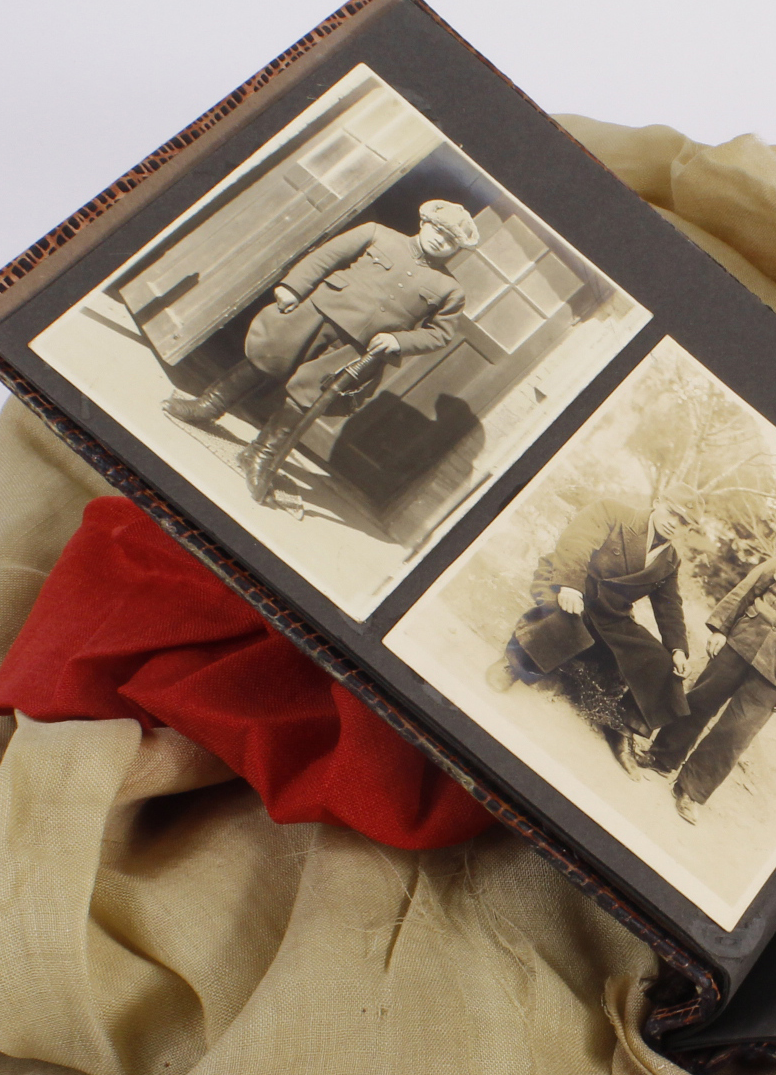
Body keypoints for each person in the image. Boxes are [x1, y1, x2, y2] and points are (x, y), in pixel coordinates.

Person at [162, 201, 481, 498]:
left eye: (450, 241)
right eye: (438, 230)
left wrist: (400, 341)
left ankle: (259, 454)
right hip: (315, 313)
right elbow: (325, 257)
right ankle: (208, 406)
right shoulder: (377, 233)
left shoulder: (450, 290)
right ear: (423, 222)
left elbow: (439, 334)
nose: (441, 240)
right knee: (265, 357)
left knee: (308, 396)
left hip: (357, 348)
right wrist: (292, 287)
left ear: (456, 249)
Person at [644, 542, 776, 823]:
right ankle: (662, 758)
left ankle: (690, 790)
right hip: (737, 647)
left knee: (734, 735)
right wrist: (720, 629)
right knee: (697, 702)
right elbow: (744, 592)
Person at [489, 499, 695, 774]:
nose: (674, 522)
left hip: (610, 612)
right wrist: (570, 586)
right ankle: (516, 664)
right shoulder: (615, 511)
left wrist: (678, 649)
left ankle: (621, 726)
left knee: (661, 662)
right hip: (569, 582)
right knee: (565, 618)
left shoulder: (670, 559)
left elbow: (669, 605)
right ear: (658, 502)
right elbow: (576, 543)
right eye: (672, 512)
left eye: (684, 522)